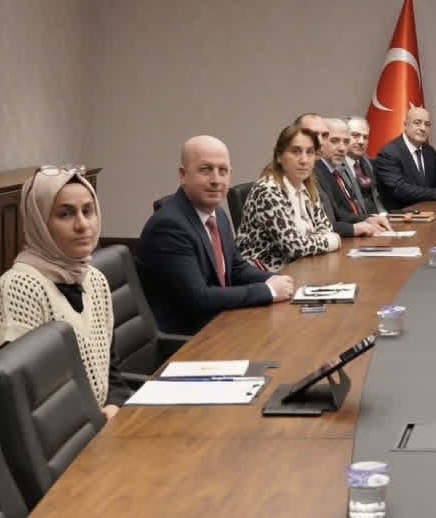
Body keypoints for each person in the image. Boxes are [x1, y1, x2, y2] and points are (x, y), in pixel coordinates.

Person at [139, 136, 296, 335]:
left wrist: (276, 280)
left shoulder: (217, 214)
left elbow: (236, 268)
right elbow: (199, 298)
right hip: (187, 339)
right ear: (183, 175)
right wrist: (269, 291)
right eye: (206, 170)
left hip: (218, 323)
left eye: (223, 171)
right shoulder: (169, 226)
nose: (216, 180)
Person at [0, 167, 123, 418]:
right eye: (65, 214)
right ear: (39, 222)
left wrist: (114, 404)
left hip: (102, 422)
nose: (82, 225)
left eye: (87, 211)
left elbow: (111, 370)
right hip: (63, 437)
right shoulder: (20, 287)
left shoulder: (94, 279)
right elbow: (28, 403)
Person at [236, 125, 342, 269]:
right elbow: (295, 247)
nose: (304, 160)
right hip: (267, 274)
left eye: (310, 152)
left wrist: (322, 240)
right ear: (279, 156)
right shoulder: (268, 190)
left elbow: (325, 229)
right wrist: (332, 241)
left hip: (301, 267)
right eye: (295, 151)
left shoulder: (308, 187)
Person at [374, 107, 436, 210]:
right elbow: (400, 189)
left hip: (428, 212)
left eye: (427, 124)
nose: (423, 128)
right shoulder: (389, 153)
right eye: (417, 123)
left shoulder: (429, 151)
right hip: (401, 215)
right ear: (406, 125)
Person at [310, 116, 392, 237]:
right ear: (320, 142)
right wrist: (354, 228)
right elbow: (326, 224)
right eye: (334, 141)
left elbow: (343, 214)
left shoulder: (334, 171)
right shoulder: (314, 172)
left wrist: (367, 219)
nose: (342, 148)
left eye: (346, 142)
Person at [345, 115, 387, 214]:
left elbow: (375, 198)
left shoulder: (368, 163)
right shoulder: (336, 167)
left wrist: (383, 215)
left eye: (365, 137)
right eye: (355, 135)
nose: (361, 141)